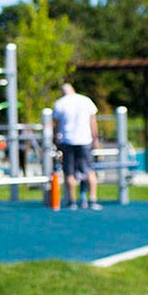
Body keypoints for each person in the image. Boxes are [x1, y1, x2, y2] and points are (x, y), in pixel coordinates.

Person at [52, 83, 102, 211]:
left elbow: (56, 125)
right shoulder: (86, 101)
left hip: (67, 140)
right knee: (89, 170)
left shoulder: (60, 103)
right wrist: (95, 138)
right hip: (85, 140)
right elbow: (93, 122)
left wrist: (55, 139)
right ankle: (93, 199)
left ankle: (72, 201)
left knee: (69, 172)